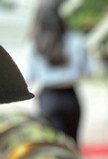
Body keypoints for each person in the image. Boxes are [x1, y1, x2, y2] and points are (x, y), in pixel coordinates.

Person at [23, 2, 92, 143]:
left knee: (54, 147)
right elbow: (88, 71)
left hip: (49, 98)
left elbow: (29, 76)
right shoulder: (75, 40)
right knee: (72, 146)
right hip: (70, 97)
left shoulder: (34, 44)